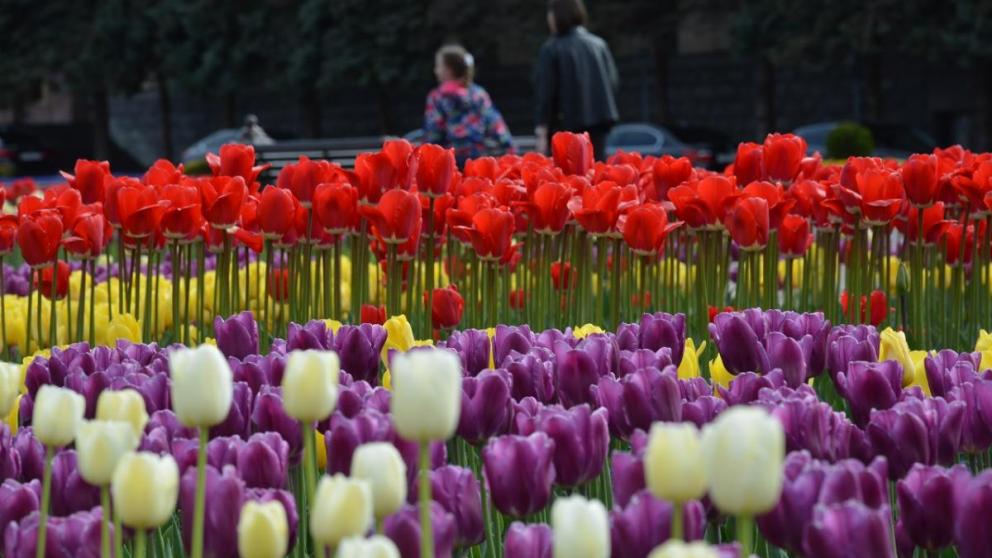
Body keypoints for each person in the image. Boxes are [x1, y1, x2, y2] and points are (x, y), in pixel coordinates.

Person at [534, 0, 619, 161]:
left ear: (555, 16)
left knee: (567, 180)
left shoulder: (551, 48)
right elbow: (613, 83)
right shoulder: (599, 45)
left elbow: (546, 93)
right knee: (595, 176)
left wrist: (542, 129)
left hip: (565, 127)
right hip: (598, 124)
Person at [423, 44, 515, 165]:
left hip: (451, 163)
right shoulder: (478, 94)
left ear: (448, 69)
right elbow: (496, 125)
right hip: (480, 158)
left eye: (438, 66)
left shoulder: (438, 97)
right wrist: (509, 149)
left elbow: (433, 132)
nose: (435, 70)